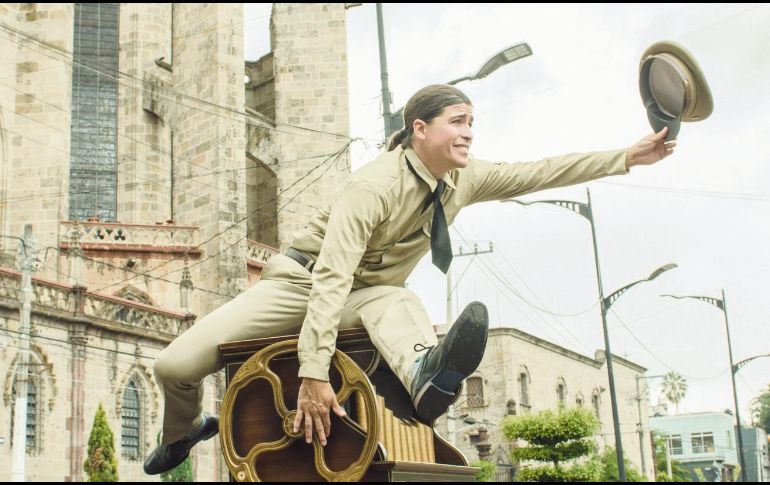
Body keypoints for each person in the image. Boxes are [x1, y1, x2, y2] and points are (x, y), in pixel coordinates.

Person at [143, 84, 675, 474]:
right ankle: (183, 433)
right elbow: (330, 277)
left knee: (395, 300)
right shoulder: (373, 187)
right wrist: (313, 373)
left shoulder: (466, 178)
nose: (469, 132)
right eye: (458, 121)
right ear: (420, 129)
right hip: (300, 285)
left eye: (473, 123)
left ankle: (426, 375)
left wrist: (627, 156)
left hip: (368, 296)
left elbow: (540, 171)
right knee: (174, 365)